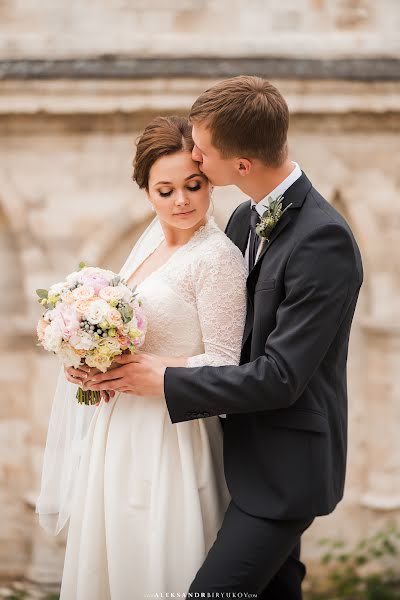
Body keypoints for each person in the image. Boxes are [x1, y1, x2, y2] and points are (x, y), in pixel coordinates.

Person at [87, 76, 364, 599]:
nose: (193, 155)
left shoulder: (323, 240)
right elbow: (224, 333)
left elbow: (280, 377)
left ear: (240, 166)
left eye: (202, 151)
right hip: (228, 457)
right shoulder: (243, 218)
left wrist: (163, 379)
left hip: (283, 473)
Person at [36, 115, 248, 598]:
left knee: (161, 562)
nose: (182, 201)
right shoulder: (148, 250)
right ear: (147, 192)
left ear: (208, 183)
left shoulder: (217, 259)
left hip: (174, 437)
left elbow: (226, 365)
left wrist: (149, 372)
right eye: (165, 190)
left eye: (193, 186)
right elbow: (130, 337)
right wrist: (88, 359)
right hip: (119, 432)